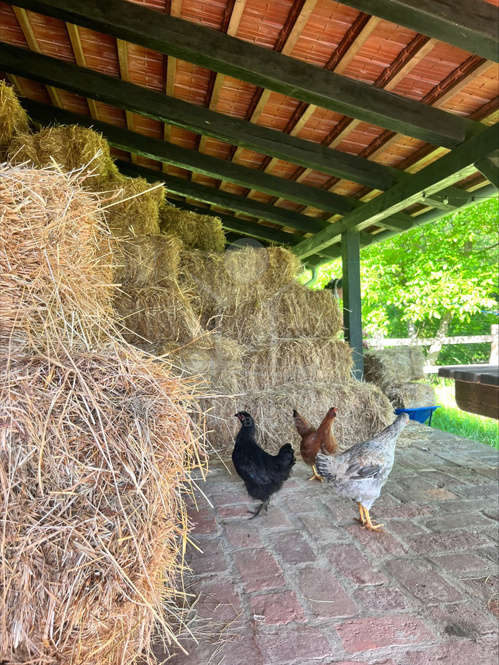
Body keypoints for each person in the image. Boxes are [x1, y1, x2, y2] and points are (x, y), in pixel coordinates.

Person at [324, 277, 370, 349]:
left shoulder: (331, 298)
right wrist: (358, 339)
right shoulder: (328, 300)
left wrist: (358, 330)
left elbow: (341, 316)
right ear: (343, 288)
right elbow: (341, 322)